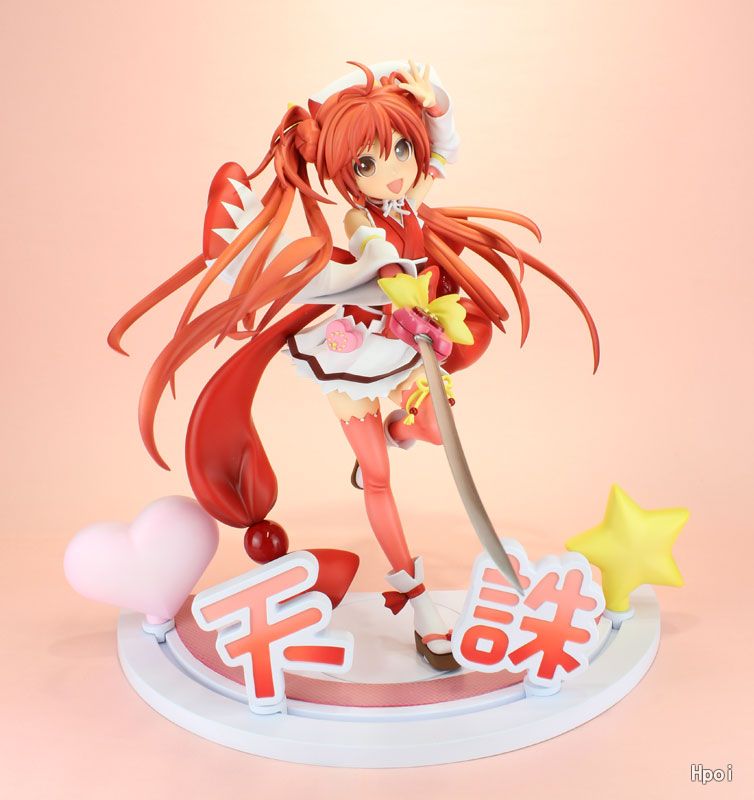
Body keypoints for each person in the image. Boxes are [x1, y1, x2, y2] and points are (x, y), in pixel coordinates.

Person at [109, 59, 600, 671]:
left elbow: (444, 146)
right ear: (345, 173)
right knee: (378, 478)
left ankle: (400, 429)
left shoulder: (414, 195)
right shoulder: (359, 219)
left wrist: (435, 101)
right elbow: (377, 258)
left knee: (429, 422)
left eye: (401, 151)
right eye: (366, 164)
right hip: (355, 348)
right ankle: (418, 601)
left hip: (408, 340)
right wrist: (398, 287)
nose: (391, 173)